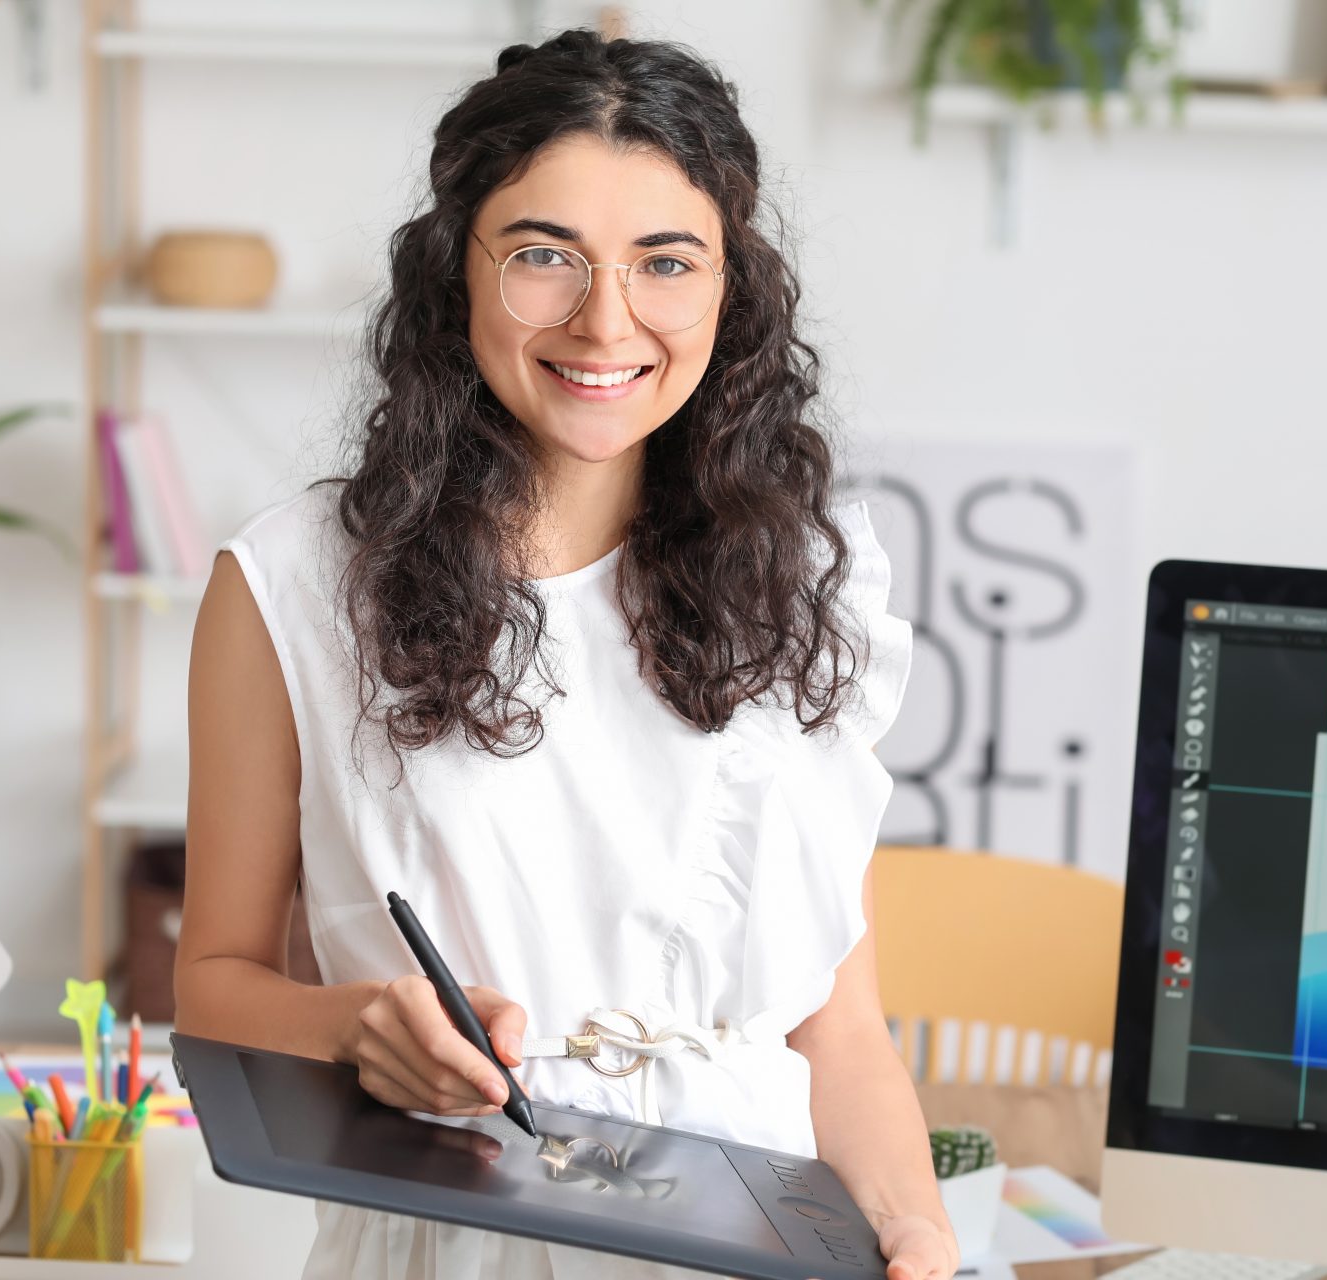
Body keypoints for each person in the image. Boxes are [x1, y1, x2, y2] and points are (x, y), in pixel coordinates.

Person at [176, 28, 950, 1280]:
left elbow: (839, 1033)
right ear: (455, 270)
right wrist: (361, 1025)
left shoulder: (808, 579)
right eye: (545, 256)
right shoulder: (293, 582)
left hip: (751, 1236)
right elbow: (214, 982)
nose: (606, 321)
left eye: (666, 262)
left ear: (731, 289)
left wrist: (914, 1227)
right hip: (454, 1233)